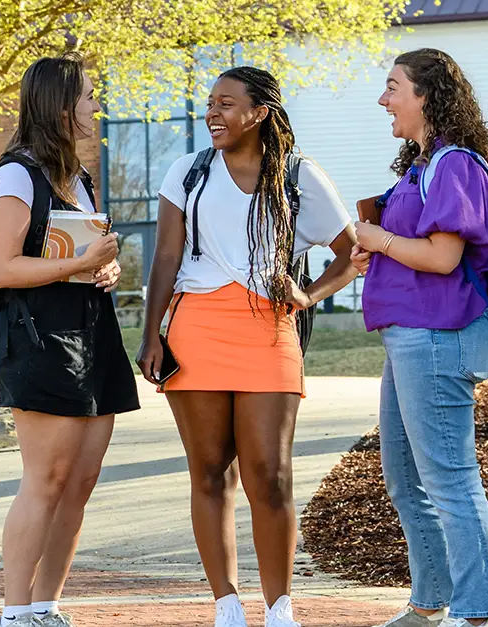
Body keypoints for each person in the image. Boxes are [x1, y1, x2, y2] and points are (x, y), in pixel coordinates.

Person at [135, 66, 359, 627]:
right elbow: (165, 257)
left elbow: (352, 254)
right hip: (196, 327)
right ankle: (226, 605)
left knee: (271, 474)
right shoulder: (185, 172)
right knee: (210, 473)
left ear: (259, 112)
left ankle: (280, 608)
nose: (213, 114)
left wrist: (308, 295)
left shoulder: (300, 175)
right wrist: (151, 334)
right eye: (210, 103)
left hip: (268, 327)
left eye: (227, 104)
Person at [347, 48, 488, 627]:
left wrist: (378, 239)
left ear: (426, 96)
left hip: (439, 336)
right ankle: (429, 602)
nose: (383, 99)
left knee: (450, 479)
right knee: (406, 480)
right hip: (409, 339)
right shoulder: (421, 167)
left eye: (394, 87)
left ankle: (477, 609)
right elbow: (416, 253)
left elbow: (444, 258)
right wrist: (377, 253)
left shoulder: (456, 165)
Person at [0, 56, 139, 627]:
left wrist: (105, 269)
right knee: (45, 480)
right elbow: (2, 269)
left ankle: (47, 607)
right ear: (59, 104)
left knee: (80, 481)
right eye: (89, 96)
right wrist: (78, 261)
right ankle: (14, 613)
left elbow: (78, 258)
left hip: (93, 335)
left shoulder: (79, 177)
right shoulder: (15, 175)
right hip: (41, 341)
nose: (96, 106)